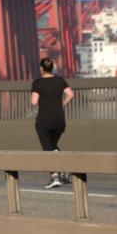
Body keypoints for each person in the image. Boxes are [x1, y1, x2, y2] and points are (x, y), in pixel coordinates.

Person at [30, 57, 75, 189]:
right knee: (53, 145)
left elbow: (33, 102)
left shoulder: (37, 83)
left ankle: (55, 177)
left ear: (41, 68)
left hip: (44, 121)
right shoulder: (60, 81)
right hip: (59, 121)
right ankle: (65, 171)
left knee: (48, 149)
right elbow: (71, 94)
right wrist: (62, 104)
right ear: (52, 67)